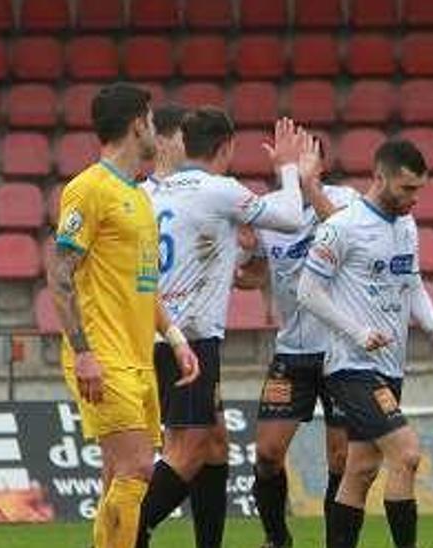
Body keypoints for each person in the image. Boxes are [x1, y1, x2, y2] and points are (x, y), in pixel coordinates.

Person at [137, 112, 310, 548]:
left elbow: (196, 252)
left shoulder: (151, 190)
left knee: (215, 442)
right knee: (189, 449)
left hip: (156, 331)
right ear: (226, 147)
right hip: (188, 340)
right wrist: (287, 167)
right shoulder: (219, 190)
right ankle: (127, 532)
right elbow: (291, 217)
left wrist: (234, 253)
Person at [48, 82, 199, 548]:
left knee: (117, 475)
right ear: (138, 123)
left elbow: (144, 283)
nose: (155, 130)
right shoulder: (88, 189)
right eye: (152, 121)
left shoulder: (137, 197)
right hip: (102, 356)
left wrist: (175, 337)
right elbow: (59, 277)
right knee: (137, 469)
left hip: (137, 357)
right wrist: (84, 354)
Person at [298, 139, 433, 548]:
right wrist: (358, 332)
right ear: (380, 177)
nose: (414, 199)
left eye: (419, 189)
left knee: (361, 470)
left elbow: (412, 283)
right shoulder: (342, 227)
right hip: (351, 366)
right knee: (406, 454)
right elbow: (308, 291)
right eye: (406, 189)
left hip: (389, 366)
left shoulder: (405, 226)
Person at [242, 133, 362, 548]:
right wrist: (238, 260)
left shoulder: (346, 200)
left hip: (341, 352)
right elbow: (254, 272)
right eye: (289, 161)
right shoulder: (271, 212)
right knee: (268, 454)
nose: (295, 166)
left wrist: (309, 187)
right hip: (292, 352)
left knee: (342, 459)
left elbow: (354, 244)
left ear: (322, 165)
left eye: (305, 158)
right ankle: (277, 539)